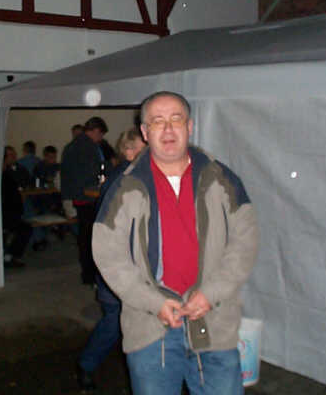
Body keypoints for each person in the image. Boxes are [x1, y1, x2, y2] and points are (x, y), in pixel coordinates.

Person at [93, 92, 259, 395]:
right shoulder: (125, 187)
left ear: (190, 126)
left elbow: (245, 242)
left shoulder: (222, 179)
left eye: (176, 119)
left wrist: (211, 293)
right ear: (145, 132)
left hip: (214, 322)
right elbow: (108, 255)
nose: (168, 129)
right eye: (158, 121)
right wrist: (152, 302)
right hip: (150, 328)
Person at [77, 128, 147, 390]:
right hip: (118, 265)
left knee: (129, 320)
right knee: (115, 320)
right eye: (142, 148)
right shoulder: (123, 180)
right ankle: (86, 365)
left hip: (131, 264)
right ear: (128, 151)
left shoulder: (140, 176)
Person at [61, 116, 108, 285]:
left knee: (84, 236)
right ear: (95, 131)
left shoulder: (71, 146)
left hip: (77, 197)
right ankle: (91, 274)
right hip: (87, 197)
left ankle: (87, 273)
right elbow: (93, 173)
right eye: (100, 135)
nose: (100, 139)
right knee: (90, 238)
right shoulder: (88, 147)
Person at [1, 147, 32, 268]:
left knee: (26, 226)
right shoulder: (3, 174)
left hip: (15, 210)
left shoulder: (20, 169)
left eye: (14, 154)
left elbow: (27, 182)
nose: (14, 157)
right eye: (10, 155)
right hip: (6, 212)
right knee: (24, 228)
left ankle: (9, 256)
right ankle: (8, 256)